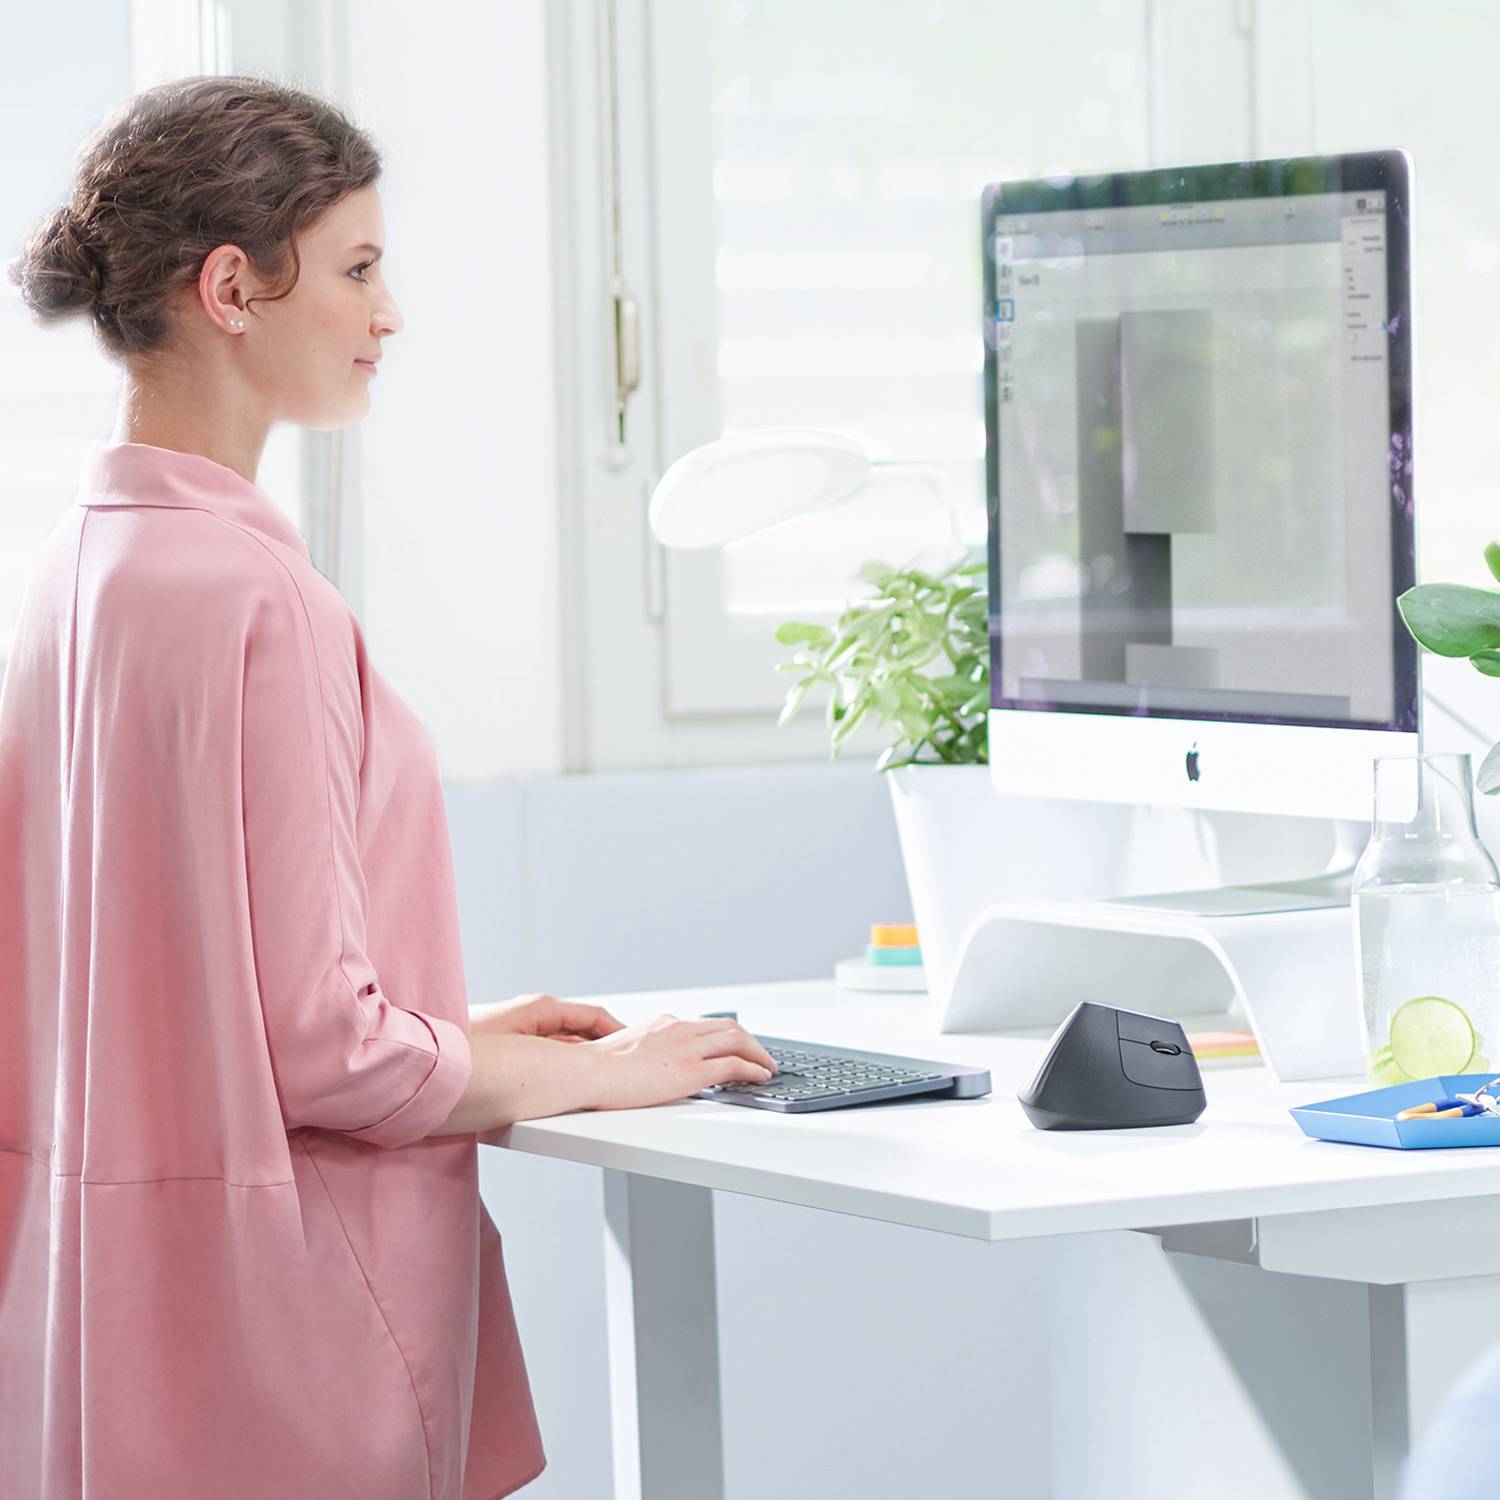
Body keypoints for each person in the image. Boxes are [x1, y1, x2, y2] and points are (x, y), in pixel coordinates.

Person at [0, 75, 777, 1500]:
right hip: (275, 1353)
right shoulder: (253, 598)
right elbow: (326, 1053)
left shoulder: (76, 575)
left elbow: (163, 1002)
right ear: (233, 286)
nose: (388, 313)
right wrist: (610, 1075)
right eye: (358, 270)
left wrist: (462, 1026)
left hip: (103, 1337)